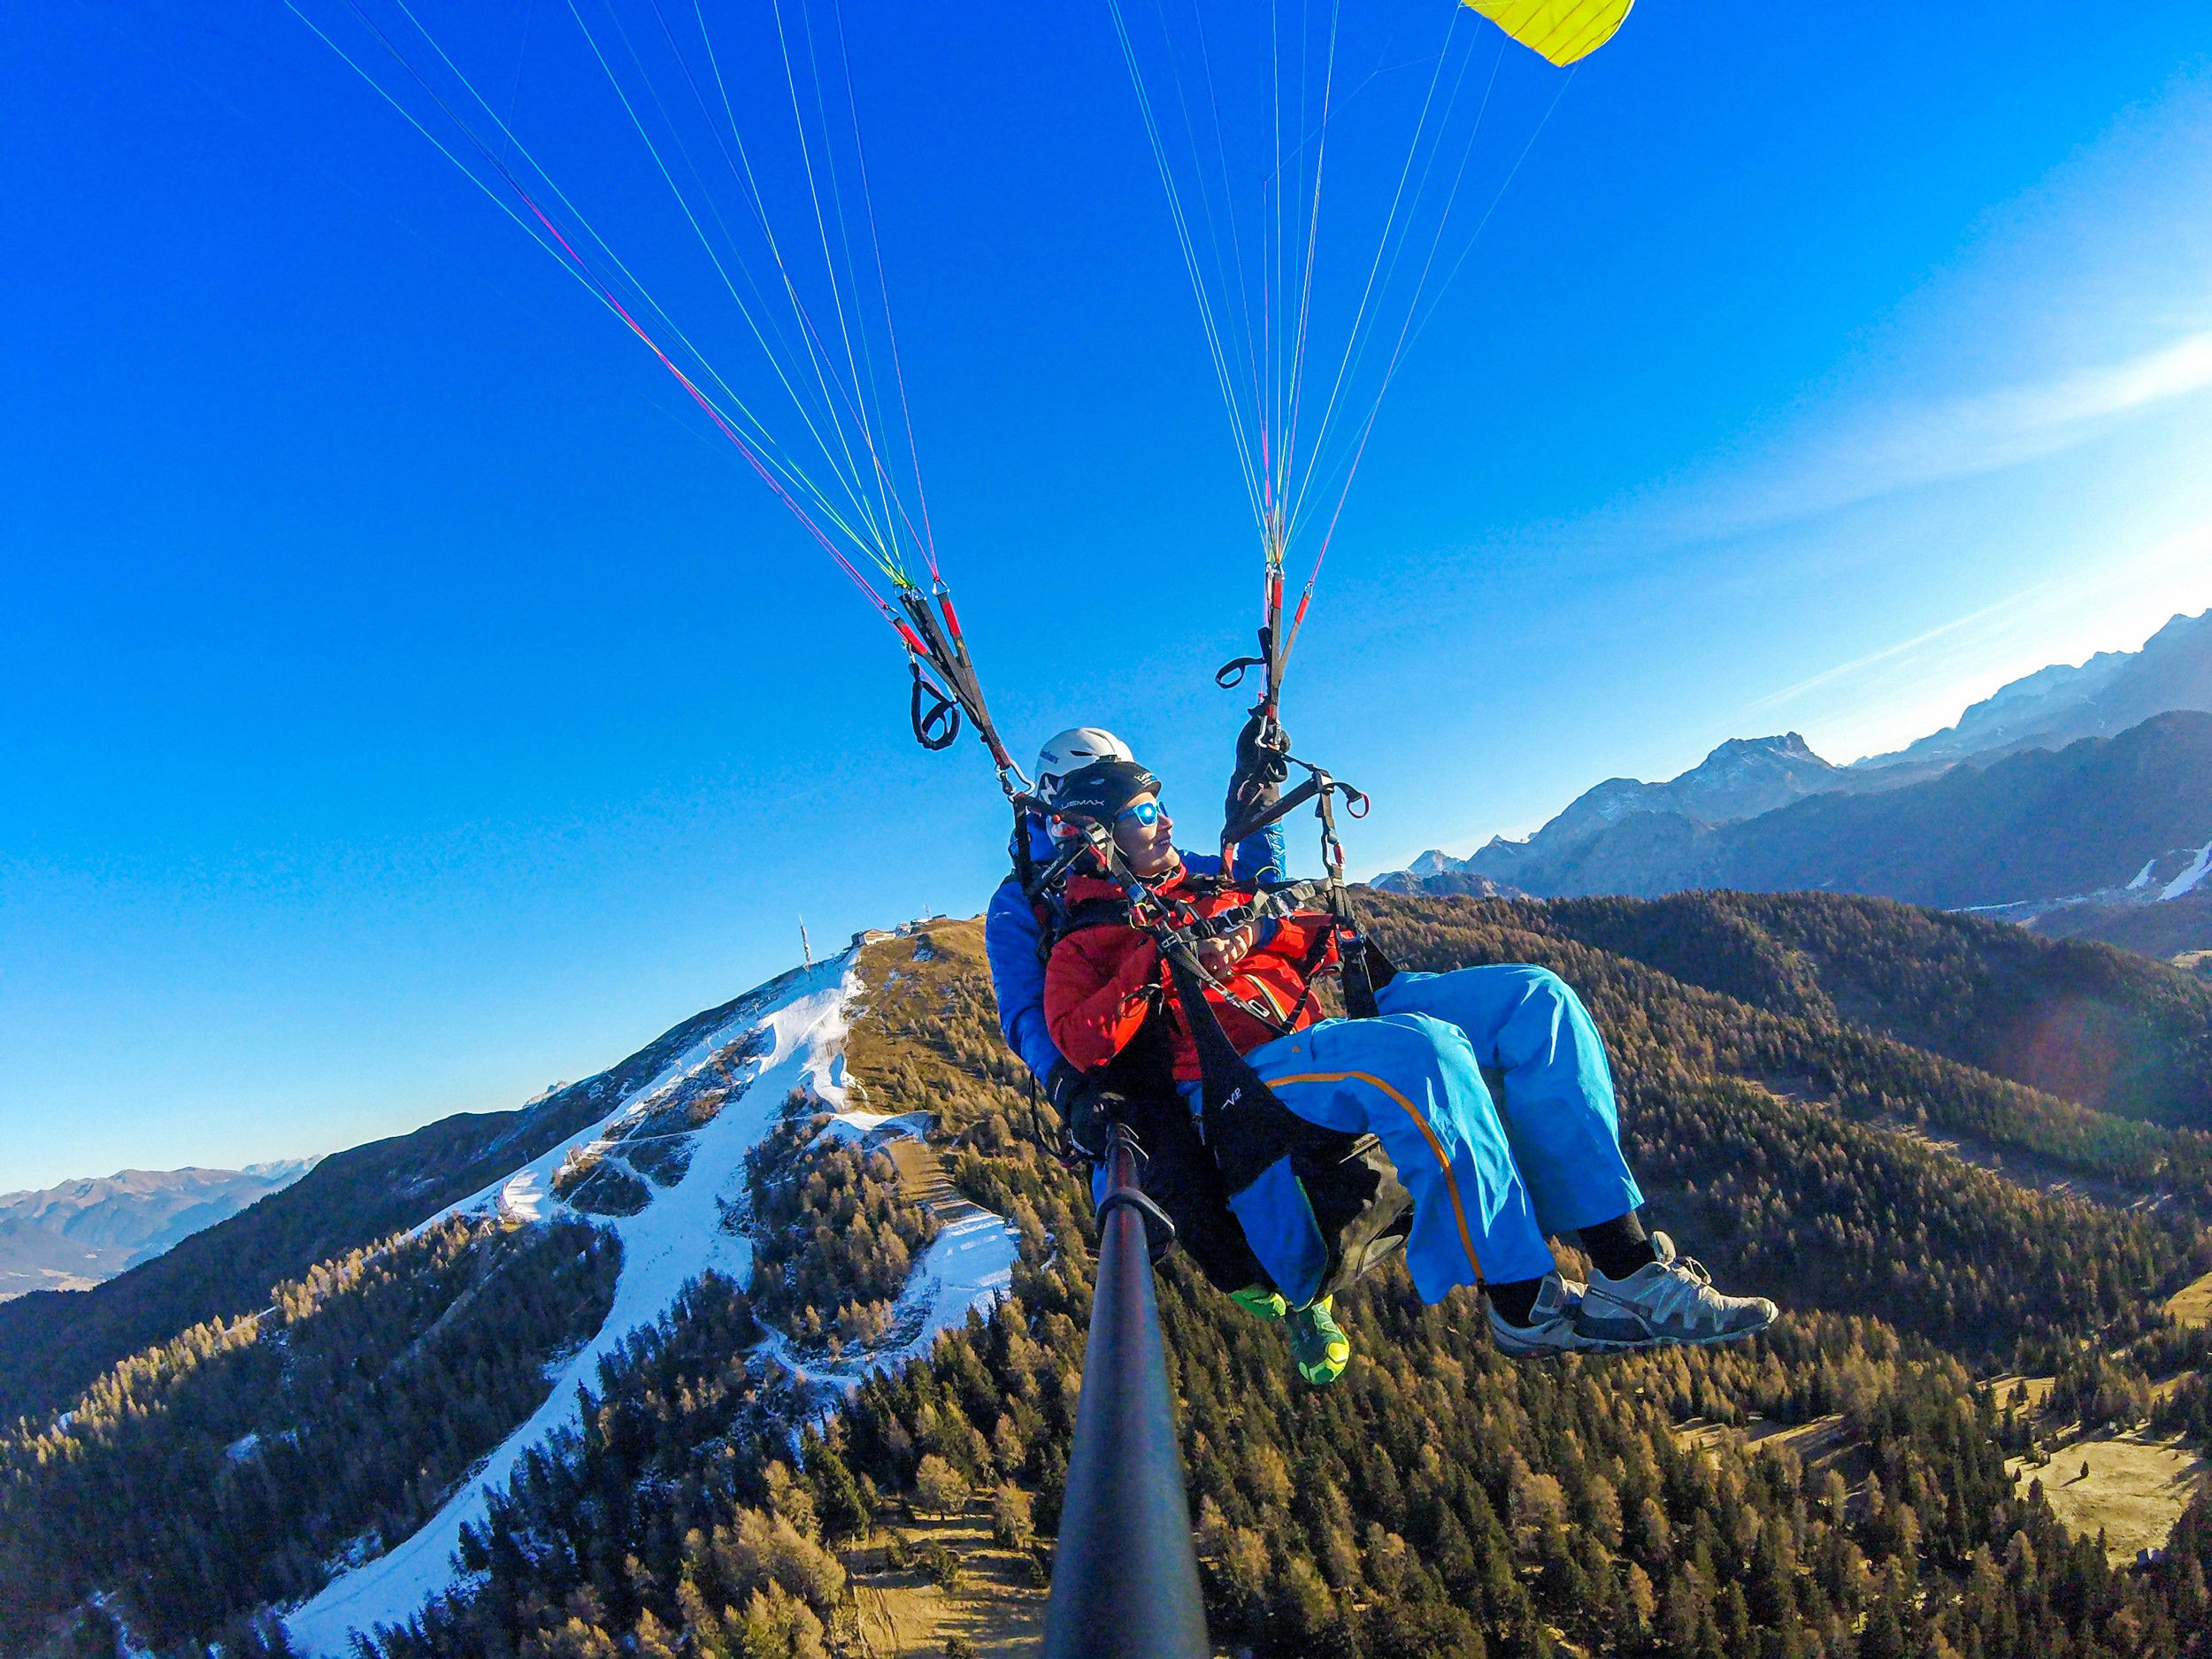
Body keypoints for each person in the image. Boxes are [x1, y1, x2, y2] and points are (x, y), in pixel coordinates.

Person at [999, 739, 1778, 1382]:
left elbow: (1283, 911)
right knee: (1424, 1055)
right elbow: (1076, 1038)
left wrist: (1263, 922)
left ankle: (1626, 1264)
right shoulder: (1086, 937)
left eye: (1160, 803)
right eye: (1144, 811)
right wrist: (1164, 962)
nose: (1166, 820)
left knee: (1538, 999)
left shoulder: (1202, 880)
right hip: (1243, 1080)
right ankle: (1522, 1299)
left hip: (1317, 1027)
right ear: (1097, 833)